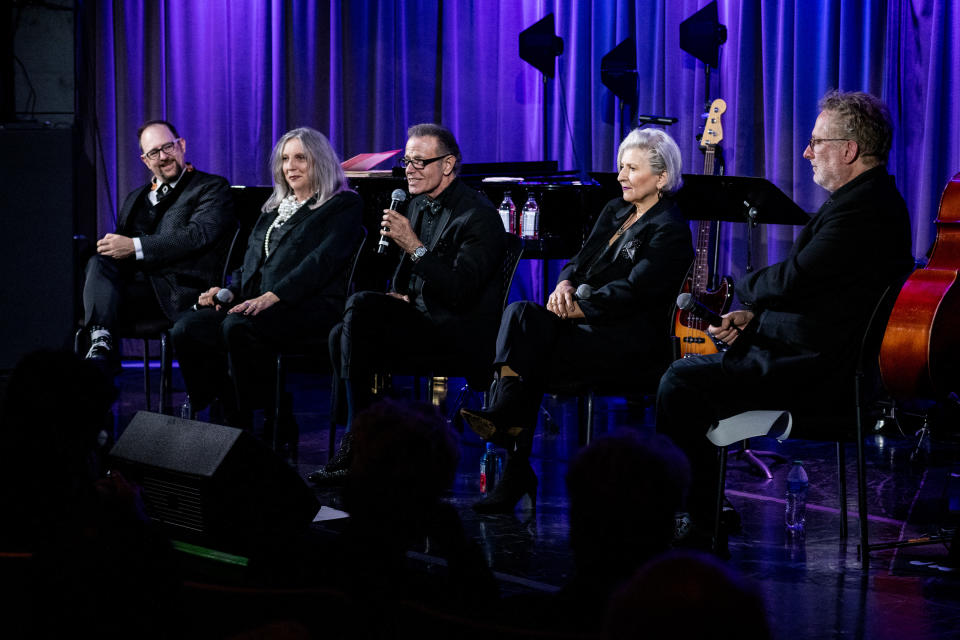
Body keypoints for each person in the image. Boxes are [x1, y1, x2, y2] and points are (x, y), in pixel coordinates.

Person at [656, 90, 915, 549]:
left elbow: (798, 277)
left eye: (817, 142)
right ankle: (706, 508)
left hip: (820, 373)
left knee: (680, 381)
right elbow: (822, 294)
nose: (806, 152)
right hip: (811, 351)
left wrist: (746, 291)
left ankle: (698, 517)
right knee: (697, 373)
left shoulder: (863, 210)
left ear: (850, 149)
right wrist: (752, 319)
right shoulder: (868, 200)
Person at [459, 128, 694, 512]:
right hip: (583, 325)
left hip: (627, 338)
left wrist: (583, 307)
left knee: (530, 352)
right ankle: (510, 433)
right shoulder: (615, 209)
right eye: (621, 166)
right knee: (521, 314)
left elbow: (635, 291)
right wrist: (565, 283)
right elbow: (578, 258)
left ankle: (511, 445)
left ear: (662, 177)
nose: (620, 176)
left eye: (631, 169)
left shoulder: (669, 229)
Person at [309, 123, 506, 484]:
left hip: (455, 330)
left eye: (419, 162)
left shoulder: (479, 217)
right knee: (345, 328)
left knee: (358, 313)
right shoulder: (415, 204)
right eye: (406, 161)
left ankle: (358, 442)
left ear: (448, 165)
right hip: (418, 320)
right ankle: (365, 439)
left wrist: (413, 245)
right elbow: (404, 274)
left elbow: (460, 290)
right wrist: (397, 293)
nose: (409, 170)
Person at [171, 127, 363, 454]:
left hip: (310, 306)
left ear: (321, 161)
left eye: (301, 157)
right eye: (285, 159)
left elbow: (320, 262)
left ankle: (259, 417)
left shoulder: (342, 205)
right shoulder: (273, 209)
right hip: (259, 304)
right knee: (187, 329)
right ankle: (229, 406)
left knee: (238, 327)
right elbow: (250, 265)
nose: (291, 166)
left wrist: (274, 296)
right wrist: (228, 292)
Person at [82, 120, 235, 366]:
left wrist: (135, 246)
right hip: (134, 292)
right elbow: (120, 251)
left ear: (181, 145)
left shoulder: (211, 187)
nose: (163, 157)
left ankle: (100, 355)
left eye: (168, 147)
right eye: (154, 152)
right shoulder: (135, 198)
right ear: (145, 160)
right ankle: (101, 346)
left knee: (97, 300)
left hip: (179, 294)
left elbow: (197, 235)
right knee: (97, 263)